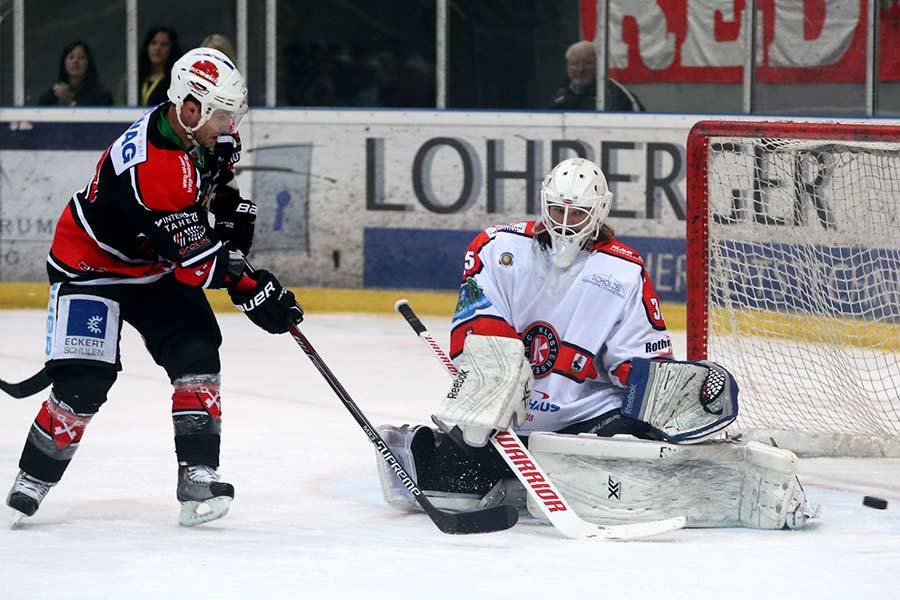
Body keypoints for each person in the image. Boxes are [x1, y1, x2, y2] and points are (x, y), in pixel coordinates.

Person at [376, 157, 817, 530]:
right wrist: (492, 394)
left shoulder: (622, 271)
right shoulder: (496, 248)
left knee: (635, 474)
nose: (565, 223)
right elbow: (478, 332)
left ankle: (747, 476)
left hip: (583, 420)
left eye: (579, 214)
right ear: (543, 204)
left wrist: (666, 396)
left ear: (600, 211)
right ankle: (430, 450)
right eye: (557, 210)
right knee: (456, 487)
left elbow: (640, 365)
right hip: (502, 422)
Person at [6, 47, 303, 528]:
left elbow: (212, 194)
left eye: (234, 114)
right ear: (190, 109)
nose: (232, 126)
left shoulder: (197, 134)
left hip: (153, 263)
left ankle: (198, 473)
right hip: (92, 267)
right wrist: (255, 288)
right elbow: (200, 264)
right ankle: (34, 476)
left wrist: (226, 209)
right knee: (84, 382)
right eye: (223, 115)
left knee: (197, 353)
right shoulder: (155, 168)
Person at [550, 40, 644, 111]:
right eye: (575, 63)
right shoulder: (560, 94)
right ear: (567, 66)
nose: (581, 69)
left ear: (600, 65)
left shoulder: (616, 95)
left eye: (588, 63)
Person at [37, 41, 113, 106]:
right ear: (64, 64)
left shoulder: (102, 96)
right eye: (71, 57)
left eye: (81, 57)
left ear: (88, 63)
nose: (75, 61)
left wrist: (70, 103)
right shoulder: (51, 96)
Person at [139, 27, 181, 105]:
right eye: (153, 43)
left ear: (172, 49)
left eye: (164, 44)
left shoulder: (176, 81)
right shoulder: (136, 78)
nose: (157, 48)